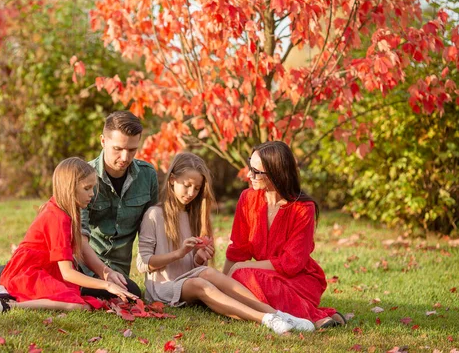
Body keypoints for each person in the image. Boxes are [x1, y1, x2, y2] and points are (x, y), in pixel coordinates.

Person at [0, 111, 158, 299]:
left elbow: (153, 229)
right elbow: (80, 240)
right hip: (77, 264)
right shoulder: (83, 178)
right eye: (118, 148)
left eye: (132, 150)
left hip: (116, 268)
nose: (125, 156)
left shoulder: (147, 176)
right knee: (35, 281)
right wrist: (104, 274)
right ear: (103, 141)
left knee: (130, 293)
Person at [136, 152, 315, 335]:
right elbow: (143, 264)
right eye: (187, 186)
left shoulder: (195, 216)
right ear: (172, 180)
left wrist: (198, 258)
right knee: (200, 284)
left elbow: (194, 268)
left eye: (197, 188)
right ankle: (266, 319)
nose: (191, 193)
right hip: (162, 287)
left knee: (207, 272)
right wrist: (180, 253)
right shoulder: (154, 215)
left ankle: (280, 314)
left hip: (187, 281)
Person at [0, 157, 138, 313]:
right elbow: (67, 273)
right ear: (69, 188)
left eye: (92, 187)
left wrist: (106, 273)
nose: (92, 194)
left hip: (45, 269)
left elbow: (80, 248)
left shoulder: (67, 208)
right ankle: (9, 304)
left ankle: (4, 295)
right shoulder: (58, 217)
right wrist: (106, 285)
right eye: (87, 188)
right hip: (28, 272)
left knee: (81, 298)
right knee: (76, 305)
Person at [222, 141, 346, 328]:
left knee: (244, 275)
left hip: (300, 281)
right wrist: (224, 285)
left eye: (256, 171)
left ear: (276, 173)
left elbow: (292, 262)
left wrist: (239, 270)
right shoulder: (247, 199)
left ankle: (314, 316)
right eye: (250, 167)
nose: (249, 175)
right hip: (265, 277)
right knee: (242, 276)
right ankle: (313, 315)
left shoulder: (304, 208)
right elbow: (238, 249)